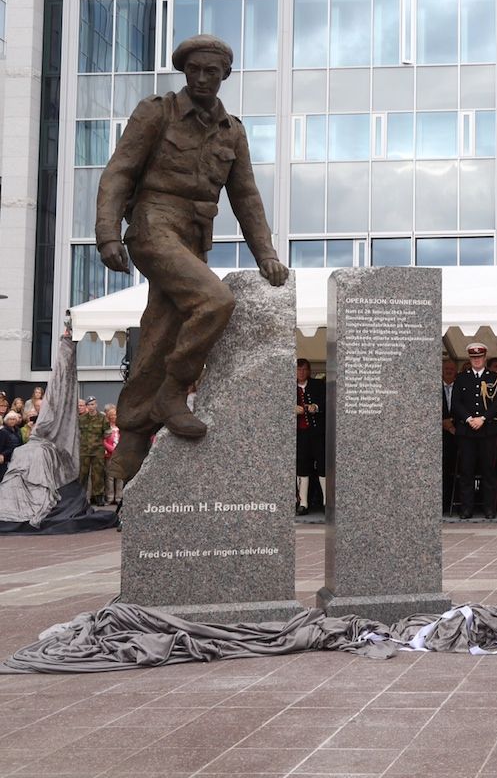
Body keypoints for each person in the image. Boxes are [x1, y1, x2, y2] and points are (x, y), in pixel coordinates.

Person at [94, 33, 289, 484]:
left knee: (161, 331)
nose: (202, 78)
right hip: (153, 225)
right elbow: (119, 171)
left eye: (211, 72)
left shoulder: (232, 131)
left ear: (225, 76)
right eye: (194, 70)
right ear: (185, 71)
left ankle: (133, 438)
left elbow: (246, 197)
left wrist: (266, 254)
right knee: (215, 300)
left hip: (195, 237)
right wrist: (107, 235)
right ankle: (173, 391)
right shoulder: (157, 112)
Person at [451, 342, 497, 519]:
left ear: (485, 357)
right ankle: (467, 509)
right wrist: (469, 419)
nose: (476, 360)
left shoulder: (494, 378)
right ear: (469, 358)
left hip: (487, 430)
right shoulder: (461, 378)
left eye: (479, 357)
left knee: (488, 470)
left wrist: (482, 418)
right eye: (473, 357)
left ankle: (489, 509)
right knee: (466, 471)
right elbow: (456, 403)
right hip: (466, 431)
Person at [295, 358, 326, 516]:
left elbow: (328, 402)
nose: (301, 372)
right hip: (299, 435)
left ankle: (327, 502)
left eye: (304, 369)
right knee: (302, 467)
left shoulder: (318, 385)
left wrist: (316, 407)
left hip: (318, 434)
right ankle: (303, 503)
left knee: (323, 466)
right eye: (298, 369)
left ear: (309, 371)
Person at [77, 397, 112, 505]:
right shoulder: (81, 419)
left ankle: (99, 497)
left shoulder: (102, 418)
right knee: (83, 475)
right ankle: (81, 497)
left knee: (98, 475)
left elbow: (108, 433)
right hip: (84, 450)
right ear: (86, 406)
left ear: (96, 405)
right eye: (89, 405)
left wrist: (98, 440)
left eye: (93, 404)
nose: (91, 406)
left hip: (97, 451)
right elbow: (77, 433)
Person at [441, 358, 459, 514]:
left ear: (456, 371)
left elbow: (467, 408)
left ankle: (453, 503)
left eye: (451, 369)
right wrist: (442, 422)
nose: (448, 371)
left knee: (454, 471)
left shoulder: (461, 388)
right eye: (446, 368)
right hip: (438, 437)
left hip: (456, 436)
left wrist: (452, 423)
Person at [103, 404, 124, 506]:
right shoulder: (106, 427)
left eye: (115, 415)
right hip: (110, 455)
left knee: (120, 476)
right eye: (111, 415)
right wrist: (111, 449)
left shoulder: (122, 427)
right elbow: (103, 441)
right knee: (110, 477)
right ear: (108, 416)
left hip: (120, 454)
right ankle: (110, 497)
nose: (113, 417)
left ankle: (119, 497)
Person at [0, 411, 22, 484]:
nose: (12, 421)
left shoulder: (18, 430)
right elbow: (1, 445)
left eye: (14, 419)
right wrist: (2, 454)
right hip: (6, 458)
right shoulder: (3, 431)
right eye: (10, 419)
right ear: (6, 420)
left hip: (16, 457)